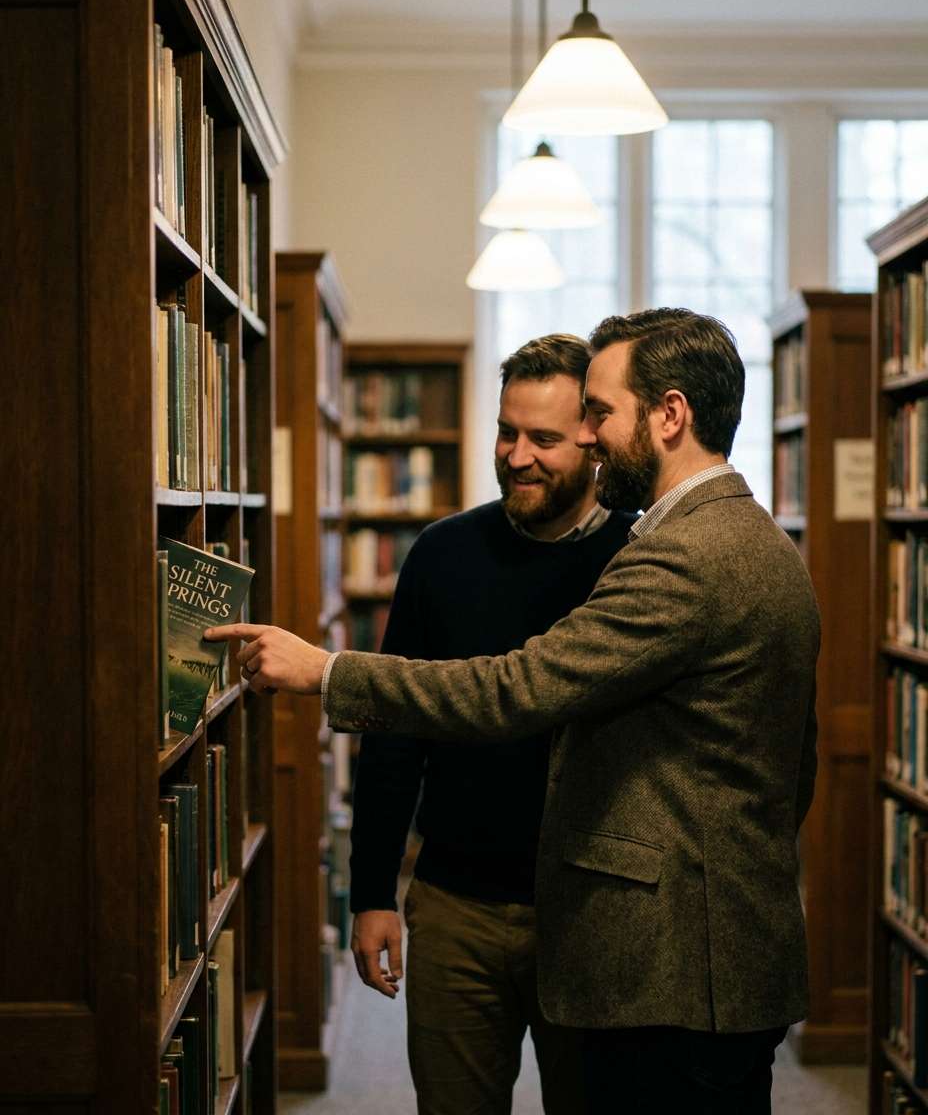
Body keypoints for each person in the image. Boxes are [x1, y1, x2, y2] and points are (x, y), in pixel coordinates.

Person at [208, 307, 820, 1115]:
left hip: (669, 964)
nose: (592, 439)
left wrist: (327, 671)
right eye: (514, 432)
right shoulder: (754, 541)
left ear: (670, 415)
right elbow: (792, 767)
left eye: (597, 416)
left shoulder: (678, 556)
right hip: (659, 943)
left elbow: (518, 689)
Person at [348, 333, 637, 1115]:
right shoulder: (441, 553)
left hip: (589, 910)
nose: (517, 456)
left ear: (595, 440)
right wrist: (372, 891)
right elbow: (391, 726)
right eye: (506, 433)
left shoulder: (640, 561)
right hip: (455, 905)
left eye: (544, 438)